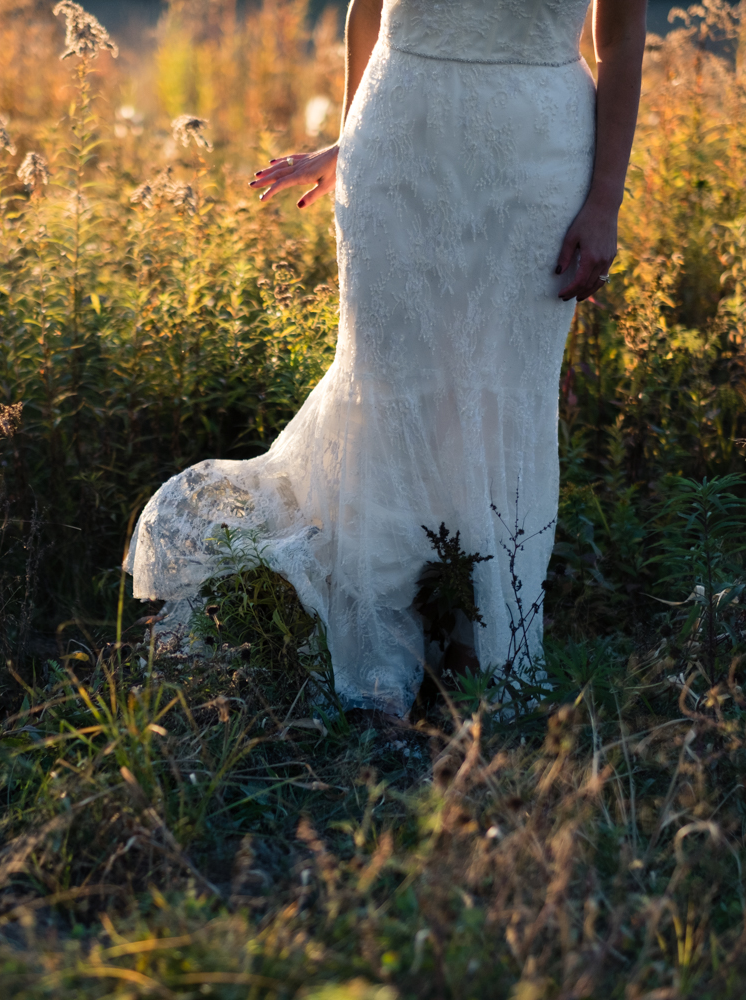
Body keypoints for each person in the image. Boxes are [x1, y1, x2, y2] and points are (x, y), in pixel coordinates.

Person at [126, 0, 646, 717]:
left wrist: (605, 203)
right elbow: (364, 9)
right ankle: (380, 670)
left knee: (504, 395)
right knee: (389, 392)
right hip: (398, 140)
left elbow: (619, 39)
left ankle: (475, 649)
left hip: (537, 163)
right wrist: (349, 139)